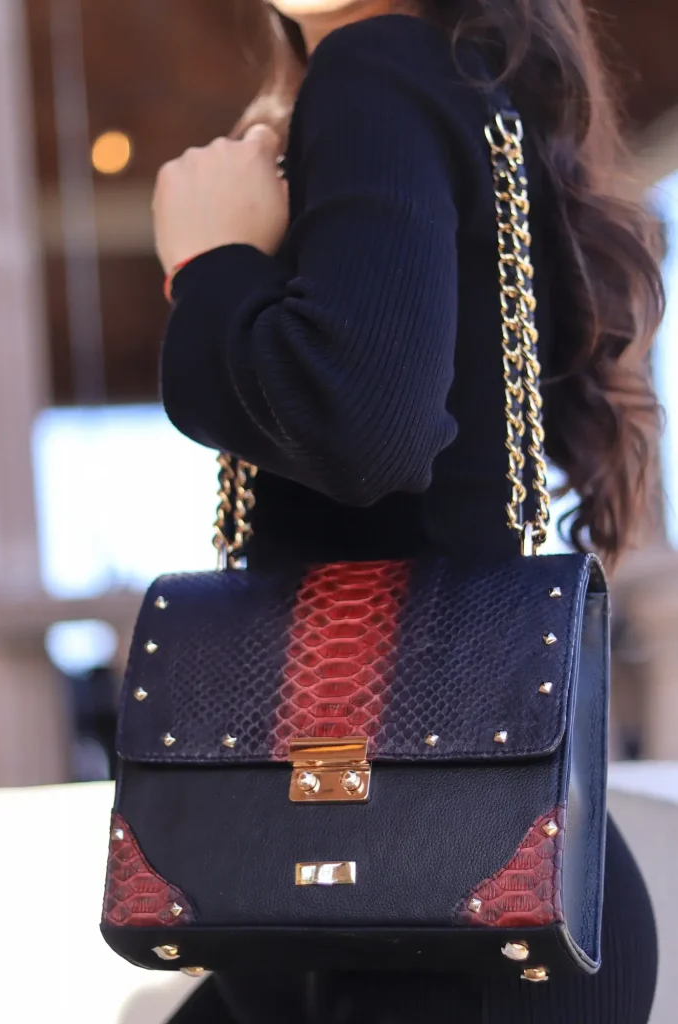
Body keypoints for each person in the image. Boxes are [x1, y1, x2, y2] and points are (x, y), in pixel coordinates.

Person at [152, 2, 663, 1021]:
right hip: (463, 872)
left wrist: (210, 266)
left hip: (417, 890)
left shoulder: (374, 66)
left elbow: (364, 428)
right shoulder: (462, 87)